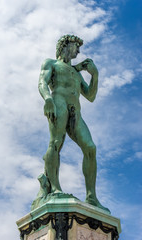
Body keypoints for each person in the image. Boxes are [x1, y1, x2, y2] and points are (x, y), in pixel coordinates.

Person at [38, 34, 109, 212]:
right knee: (55, 143)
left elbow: (90, 96)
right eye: (75, 47)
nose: (78, 51)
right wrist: (47, 99)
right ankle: (54, 188)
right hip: (58, 103)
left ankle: (91, 197)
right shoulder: (51, 64)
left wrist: (95, 75)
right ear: (66, 45)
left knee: (90, 148)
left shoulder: (76, 73)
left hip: (75, 111)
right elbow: (42, 82)